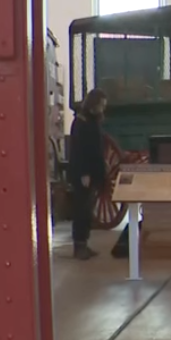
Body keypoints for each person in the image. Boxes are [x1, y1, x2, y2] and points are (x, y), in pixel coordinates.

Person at [66, 89, 108, 260]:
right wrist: (84, 172)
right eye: (101, 104)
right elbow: (79, 150)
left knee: (88, 209)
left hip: (92, 171)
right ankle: (79, 246)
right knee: (81, 209)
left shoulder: (91, 121)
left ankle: (84, 243)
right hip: (84, 173)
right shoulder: (81, 122)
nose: (103, 108)